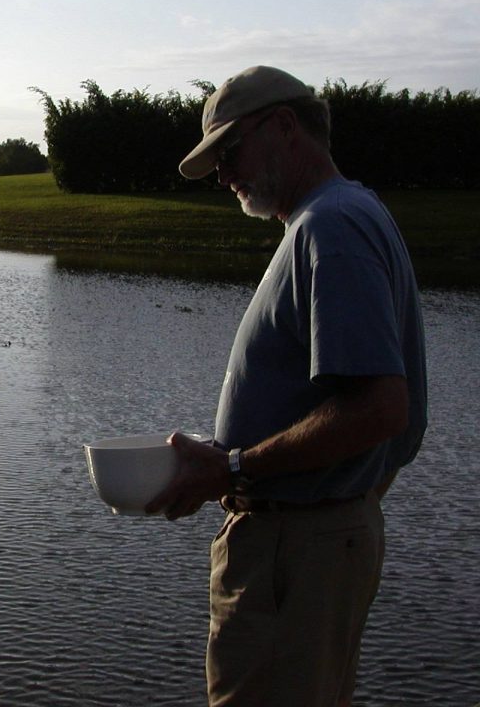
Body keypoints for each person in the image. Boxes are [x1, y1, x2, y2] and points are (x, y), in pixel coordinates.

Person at [146, 65, 428, 706]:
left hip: (294, 551)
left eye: (229, 149)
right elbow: (396, 421)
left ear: (283, 126)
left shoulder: (331, 227)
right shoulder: (343, 215)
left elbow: (383, 407)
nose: (222, 174)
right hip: (311, 543)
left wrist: (235, 467)